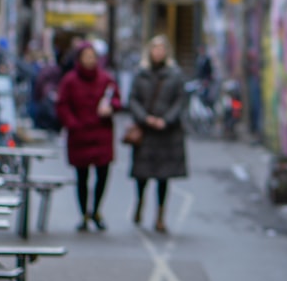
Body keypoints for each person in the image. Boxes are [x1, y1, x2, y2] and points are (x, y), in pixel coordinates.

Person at [56, 42, 122, 231]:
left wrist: (111, 108)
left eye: (92, 57)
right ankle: (84, 212)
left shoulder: (106, 79)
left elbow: (117, 99)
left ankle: (97, 210)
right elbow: (62, 105)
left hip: (101, 134)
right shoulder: (70, 81)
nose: (90, 60)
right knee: (82, 177)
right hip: (80, 135)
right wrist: (73, 124)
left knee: (102, 174)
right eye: (86, 57)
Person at [127, 35, 188, 233]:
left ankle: (160, 215)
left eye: (162, 49)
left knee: (164, 177)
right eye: (155, 49)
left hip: (166, 134)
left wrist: (166, 120)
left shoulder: (175, 75)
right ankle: (139, 204)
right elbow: (133, 99)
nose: (158, 53)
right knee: (142, 175)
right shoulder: (141, 73)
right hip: (146, 132)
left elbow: (180, 101)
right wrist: (145, 118)